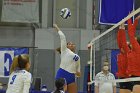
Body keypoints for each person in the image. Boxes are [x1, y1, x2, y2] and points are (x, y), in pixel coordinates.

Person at [53, 24, 81, 93]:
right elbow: (62, 37)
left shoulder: (77, 57)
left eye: (73, 44)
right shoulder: (64, 50)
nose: (71, 44)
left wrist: (77, 73)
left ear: (75, 46)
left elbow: (78, 73)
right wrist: (57, 27)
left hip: (71, 76)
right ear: (66, 46)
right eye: (69, 44)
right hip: (62, 74)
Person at [116, 23, 132, 93]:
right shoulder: (122, 52)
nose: (121, 48)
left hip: (129, 77)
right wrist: (120, 30)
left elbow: (122, 42)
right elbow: (120, 42)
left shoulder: (128, 53)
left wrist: (122, 30)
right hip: (122, 77)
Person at [126, 15, 140, 93]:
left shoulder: (137, 48)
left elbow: (131, 33)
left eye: (134, 39)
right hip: (133, 76)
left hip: (137, 76)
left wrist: (129, 19)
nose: (132, 40)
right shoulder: (132, 51)